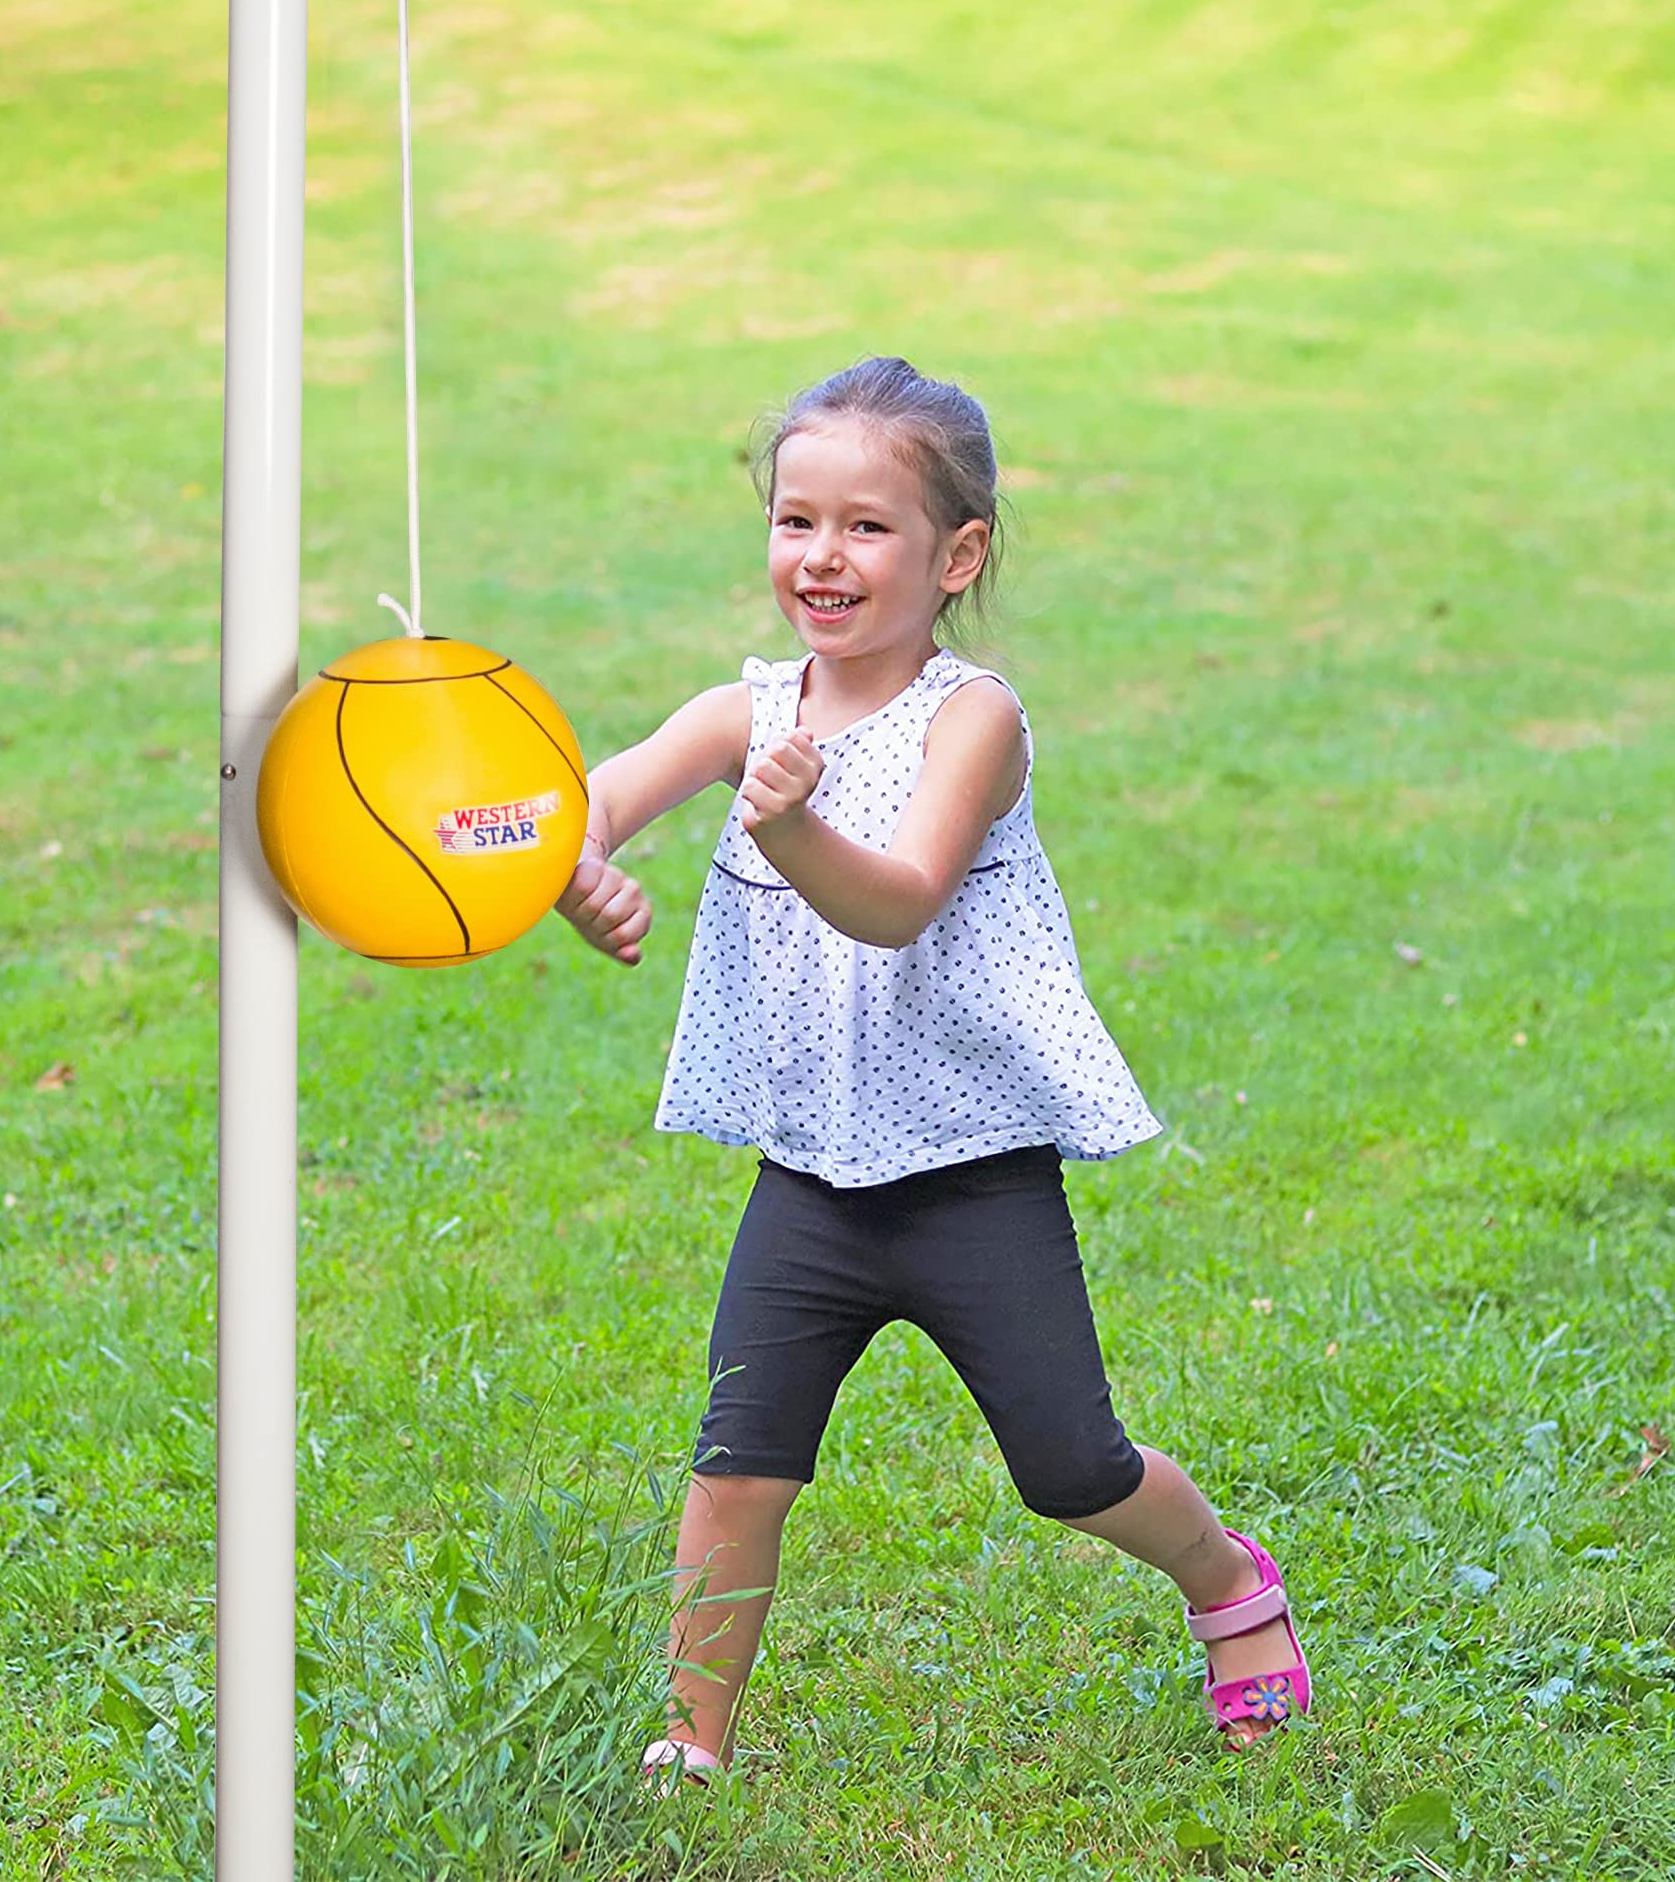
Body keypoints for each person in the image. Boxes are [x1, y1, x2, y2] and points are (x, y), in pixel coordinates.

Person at [553, 356, 1311, 1784]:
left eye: (865, 527)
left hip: (972, 1179)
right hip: (813, 1181)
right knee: (739, 1467)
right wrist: (575, 872)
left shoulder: (978, 718)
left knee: (1070, 1469)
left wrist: (791, 835)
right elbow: (588, 803)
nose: (820, 556)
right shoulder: (746, 714)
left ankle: (1226, 1584)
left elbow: (900, 898)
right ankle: (692, 1741)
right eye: (795, 521)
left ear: (957, 554)